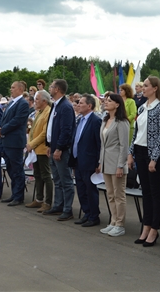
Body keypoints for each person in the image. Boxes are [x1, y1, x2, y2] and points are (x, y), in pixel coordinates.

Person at [127, 76, 160, 247]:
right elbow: (137, 133)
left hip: (154, 154)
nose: (142, 88)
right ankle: (146, 226)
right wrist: (131, 154)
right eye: (143, 86)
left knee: (155, 192)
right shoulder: (142, 108)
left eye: (145, 86)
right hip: (139, 150)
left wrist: (154, 158)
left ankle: (154, 229)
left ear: (154, 88)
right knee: (145, 191)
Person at [43, 79, 76, 221]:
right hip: (54, 147)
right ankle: (58, 205)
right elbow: (52, 128)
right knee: (57, 179)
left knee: (65, 180)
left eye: (51, 86)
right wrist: (50, 145)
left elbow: (66, 130)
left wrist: (60, 148)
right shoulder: (56, 105)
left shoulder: (65, 107)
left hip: (61, 150)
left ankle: (67, 209)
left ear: (57, 89)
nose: (49, 88)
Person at [97, 93, 129, 237]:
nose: (106, 102)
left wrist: (120, 165)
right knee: (110, 194)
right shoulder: (105, 120)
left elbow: (124, 145)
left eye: (109, 101)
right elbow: (103, 144)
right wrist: (100, 162)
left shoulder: (121, 122)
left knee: (119, 194)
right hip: (106, 161)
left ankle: (120, 224)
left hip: (117, 162)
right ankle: (113, 221)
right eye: (106, 100)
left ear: (117, 104)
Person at [69, 94, 102, 227]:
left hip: (89, 161)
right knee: (81, 189)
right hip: (78, 160)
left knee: (90, 189)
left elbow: (99, 143)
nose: (78, 104)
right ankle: (86, 213)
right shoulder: (79, 120)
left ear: (89, 106)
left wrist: (98, 162)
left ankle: (94, 216)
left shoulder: (95, 121)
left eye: (81, 103)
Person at [0, 81, 30, 206]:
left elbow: (17, 121)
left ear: (20, 89)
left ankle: (18, 196)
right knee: (10, 168)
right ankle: (14, 193)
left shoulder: (23, 104)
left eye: (13, 87)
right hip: (6, 140)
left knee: (17, 169)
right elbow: (3, 118)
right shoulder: (11, 102)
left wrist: (2, 129)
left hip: (15, 142)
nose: (11, 90)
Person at [25, 90, 53, 212]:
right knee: (37, 175)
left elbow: (44, 133)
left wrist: (32, 143)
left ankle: (48, 202)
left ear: (44, 101)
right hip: (35, 149)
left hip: (42, 149)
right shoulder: (39, 112)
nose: (34, 102)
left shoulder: (48, 112)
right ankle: (39, 199)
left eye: (37, 99)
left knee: (46, 175)